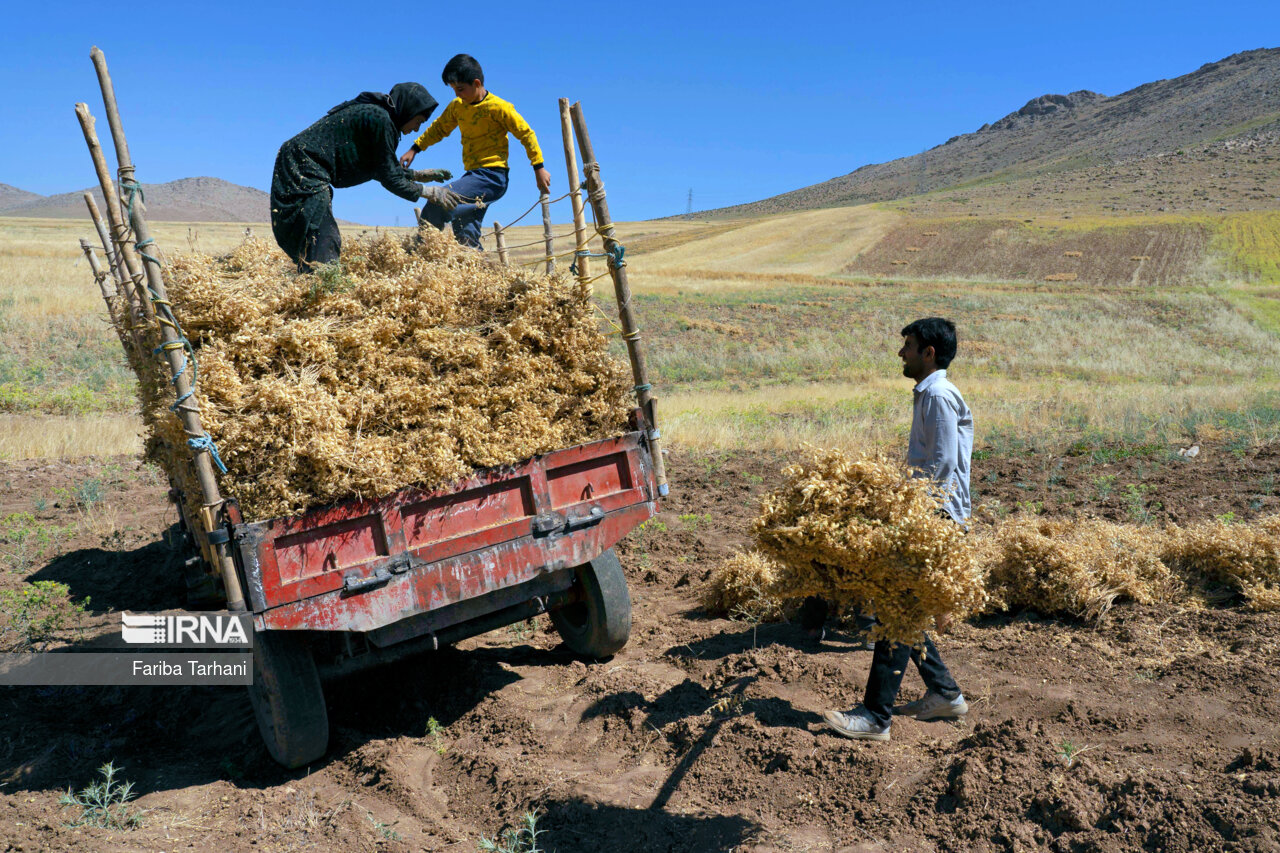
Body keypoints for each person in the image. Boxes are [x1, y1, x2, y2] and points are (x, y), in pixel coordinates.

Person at [822, 317, 974, 741]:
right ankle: (945, 694)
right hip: (932, 514)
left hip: (935, 518)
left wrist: (912, 516)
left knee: (896, 612)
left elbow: (941, 465)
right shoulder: (930, 393)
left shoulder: (938, 395)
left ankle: (875, 718)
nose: (901, 353)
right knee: (903, 609)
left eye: (908, 345)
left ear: (928, 353)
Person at [271, 82, 460, 272]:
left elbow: (379, 166)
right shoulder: (380, 119)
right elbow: (389, 177)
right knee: (322, 234)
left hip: (302, 162)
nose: (417, 129)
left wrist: (417, 175)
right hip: (302, 165)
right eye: (418, 121)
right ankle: (321, 286)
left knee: (318, 233)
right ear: (409, 111)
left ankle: (314, 281)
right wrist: (431, 192)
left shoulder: (379, 117)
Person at [399, 54, 551, 249]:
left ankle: (419, 256)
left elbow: (526, 134)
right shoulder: (457, 107)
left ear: (477, 83)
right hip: (473, 176)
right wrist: (415, 148)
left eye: (460, 89)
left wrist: (538, 167)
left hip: (493, 177)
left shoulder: (499, 108)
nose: (457, 95)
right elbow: (439, 128)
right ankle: (479, 269)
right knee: (465, 233)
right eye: (453, 90)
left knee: (439, 202)